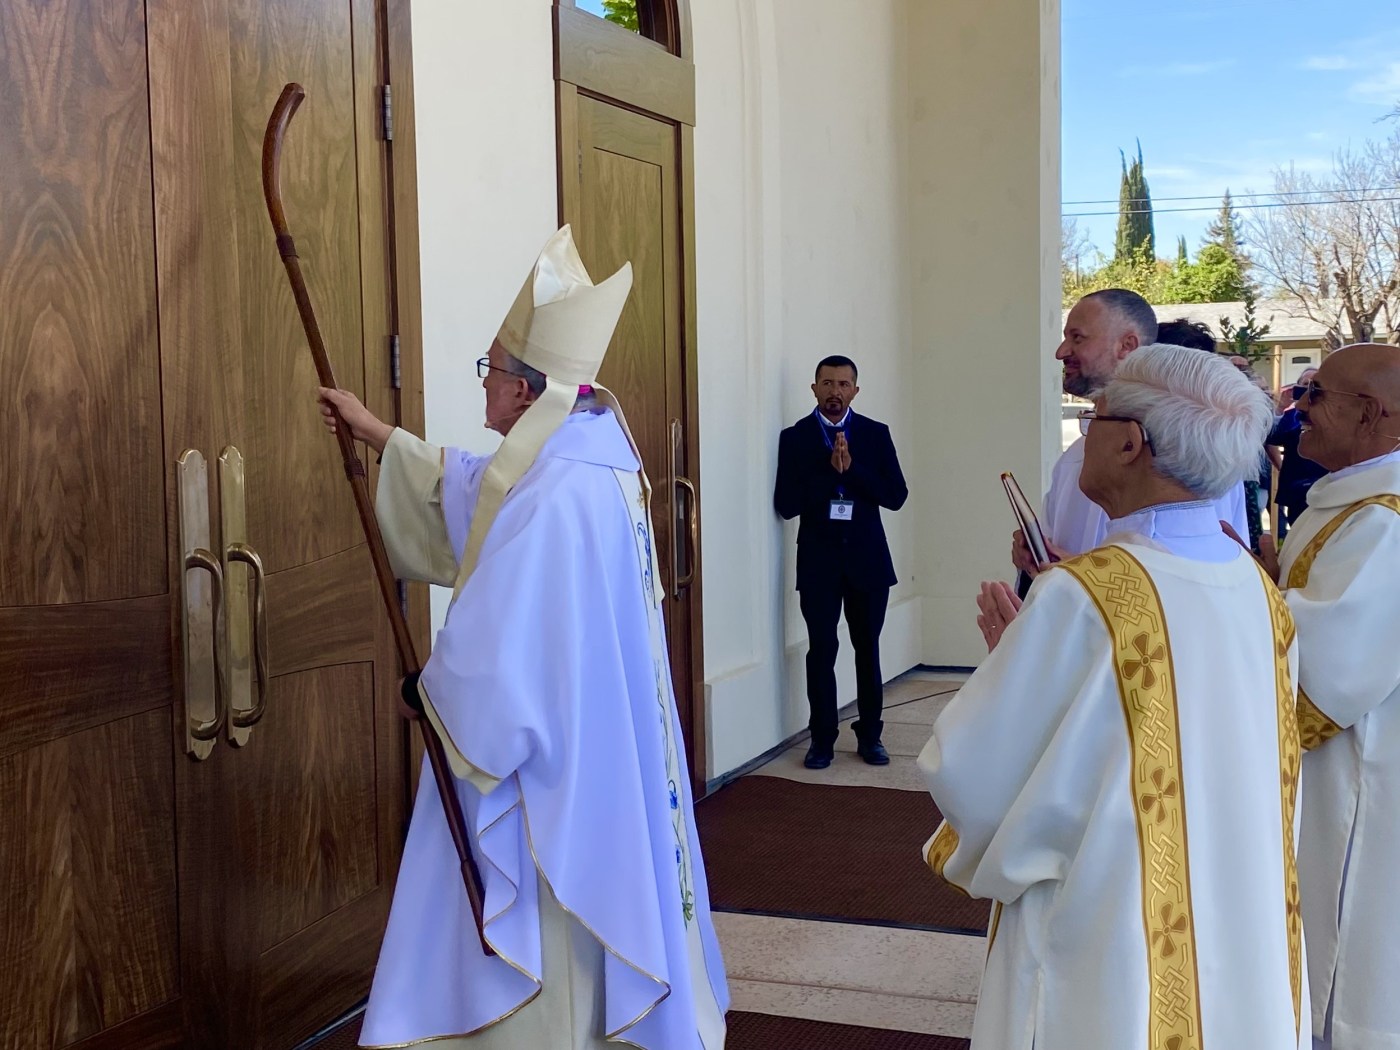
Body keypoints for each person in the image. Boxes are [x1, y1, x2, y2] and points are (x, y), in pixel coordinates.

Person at [318, 226, 728, 1049]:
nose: (486, 386)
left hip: (555, 770)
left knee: (550, 948)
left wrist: (426, 695)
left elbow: (507, 654)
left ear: (528, 390)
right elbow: (480, 489)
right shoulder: (589, 451)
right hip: (605, 745)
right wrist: (375, 433)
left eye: (492, 372)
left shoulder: (557, 491)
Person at [921, 344, 1307, 1050]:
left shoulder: (1087, 592)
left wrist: (1011, 668)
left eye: (1095, 413)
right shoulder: (1256, 586)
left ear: (1130, 442)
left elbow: (975, 773)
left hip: (1112, 927)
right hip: (1238, 906)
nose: (1085, 427)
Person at [1262, 344, 1400, 1050]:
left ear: (1372, 413)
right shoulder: (1349, 501)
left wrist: (1245, 596)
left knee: (1351, 955)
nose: (1299, 408)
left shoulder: (1387, 523)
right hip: (1330, 773)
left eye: (1315, 395)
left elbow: (1333, 667)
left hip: (1361, 780)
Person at [1015, 290, 1248, 582]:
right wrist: (1035, 556)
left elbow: (1209, 579)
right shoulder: (1074, 455)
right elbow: (1053, 546)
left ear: (1127, 345)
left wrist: (1085, 581)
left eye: (1078, 338)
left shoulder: (1196, 454)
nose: (1061, 352)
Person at [774, 356, 908, 769]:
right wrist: (827, 471)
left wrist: (854, 471)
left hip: (868, 563)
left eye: (844, 384)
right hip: (819, 565)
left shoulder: (875, 434)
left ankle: (870, 736)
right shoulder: (795, 438)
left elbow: (896, 496)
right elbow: (786, 504)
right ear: (813, 389)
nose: (835, 392)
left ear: (855, 390)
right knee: (822, 651)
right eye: (827, 383)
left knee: (867, 650)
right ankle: (822, 739)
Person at [1268, 368, 1328, 538]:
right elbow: (1273, 437)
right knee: (1298, 534)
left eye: (1314, 386)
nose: (1309, 390)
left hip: (1325, 482)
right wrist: (1280, 407)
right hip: (1297, 487)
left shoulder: (1334, 414)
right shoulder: (1291, 415)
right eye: (1304, 385)